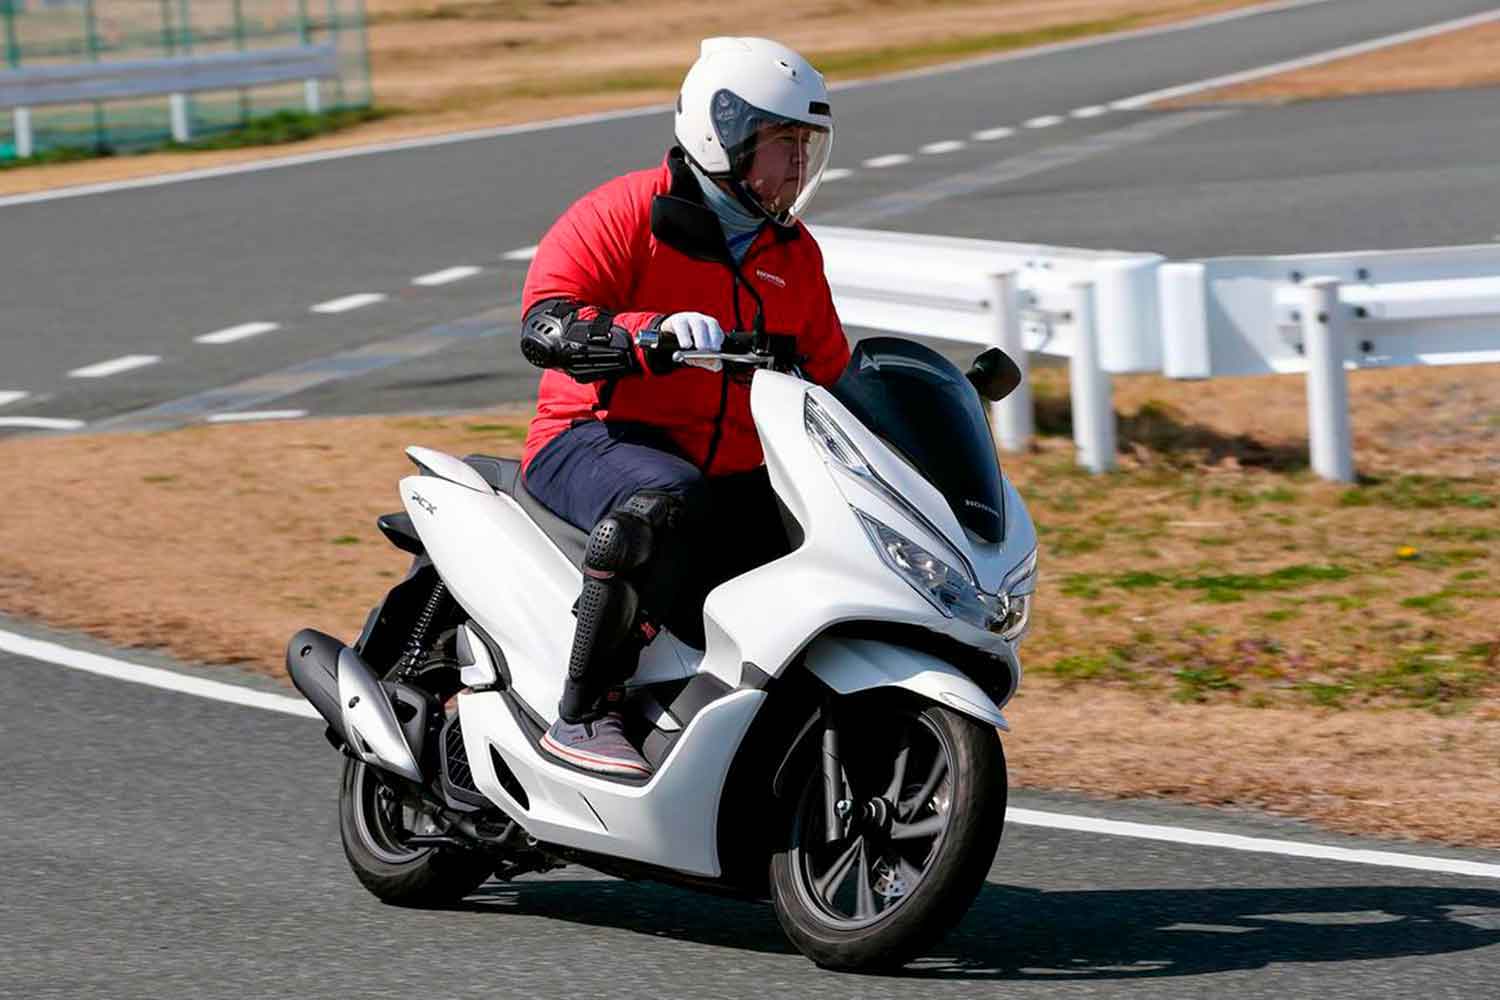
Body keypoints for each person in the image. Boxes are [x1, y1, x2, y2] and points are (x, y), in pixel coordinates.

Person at [516, 37, 851, 777]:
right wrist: (647, 335)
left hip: (731, 469)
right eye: (784, 143)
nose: (798, 165)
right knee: (667, 498)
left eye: (809, 145)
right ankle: (584, 713)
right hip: (591, 437)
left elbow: (834, 374)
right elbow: (544, 326)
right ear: (722, 133)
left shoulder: (793, 254)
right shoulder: (627, 212)